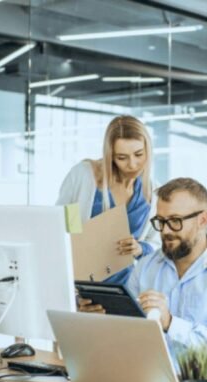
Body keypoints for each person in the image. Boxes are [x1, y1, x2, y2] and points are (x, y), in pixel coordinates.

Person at [80, 178, 207, 381]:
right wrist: (98, 318)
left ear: (202, 220)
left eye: (175, 221)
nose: (165, 231)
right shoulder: (146, 267)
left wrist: (171, 323)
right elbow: (128, 333)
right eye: (161, 221)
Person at [56, 115, 159, 284]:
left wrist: (141, 248)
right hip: (82, 285)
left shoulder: (152, 192)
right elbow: (63, 227)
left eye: (138, 154)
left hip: (126, 287)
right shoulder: (84, 177)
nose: (132, 164)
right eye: (122, 157)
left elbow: (156, 243)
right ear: (110, 155)